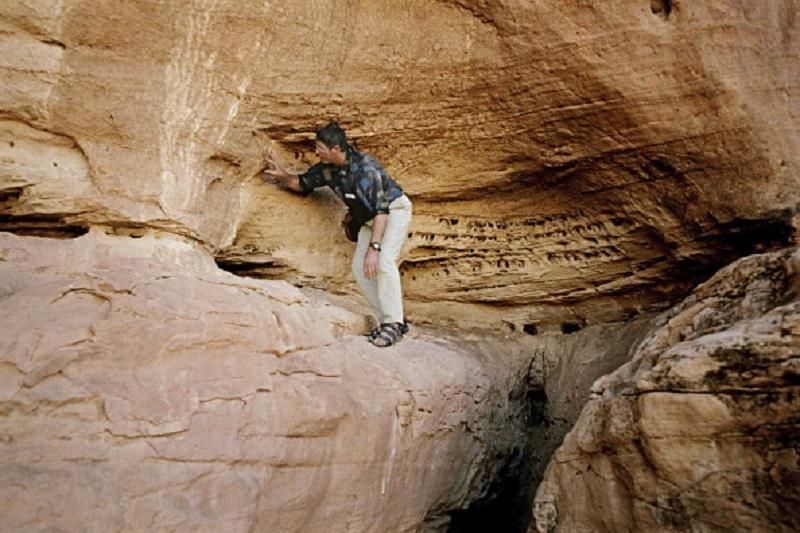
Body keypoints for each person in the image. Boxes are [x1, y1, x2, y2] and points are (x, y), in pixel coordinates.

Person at [262, 121, 413, 347]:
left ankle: (393, 323)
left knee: (383, 262)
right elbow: (302, 183)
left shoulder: (366, 168)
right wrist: (282, 175)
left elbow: (382, 210)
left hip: (393, 212)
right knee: (360, 270)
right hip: (368, 219)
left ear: (335, 149)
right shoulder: (327, 169)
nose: (316, 151)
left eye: (320, 147)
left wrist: (374, 247)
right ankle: (391, 320)